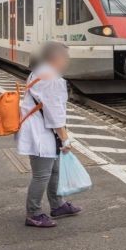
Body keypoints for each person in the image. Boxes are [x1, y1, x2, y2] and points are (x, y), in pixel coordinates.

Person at [16, 41, 81, 228]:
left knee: (54, 170)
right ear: (56, 58)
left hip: (43, 130)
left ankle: (57, 205)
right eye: (65, 57)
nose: (67, 61)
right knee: (42, 175)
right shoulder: (51, 78)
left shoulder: (40, 71)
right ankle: (33, 213)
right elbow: (55, 113)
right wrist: (65, 137)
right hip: (40, 133)